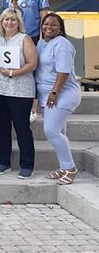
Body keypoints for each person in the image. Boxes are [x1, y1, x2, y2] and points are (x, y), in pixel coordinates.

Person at [0, 8, 37, 179]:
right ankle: (4, 162)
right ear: (1, 22)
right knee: (2, 127)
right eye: (6, 19)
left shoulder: (24, 39)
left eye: (13, 20)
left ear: (18, 22)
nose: (10, 23)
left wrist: (14, 73)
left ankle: (27, 164)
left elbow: (32, 63)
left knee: (22, 127)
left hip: (20, 91)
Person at [36, 13, 81, 185]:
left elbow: (63, 72)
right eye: (46, 24)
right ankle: (64, 167)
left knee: (51, 131)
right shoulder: (41, 43)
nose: (49, 27)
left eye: (54, 25)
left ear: (61, 28)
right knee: (59, 132)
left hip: (62, 93)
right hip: (47, 94)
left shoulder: (63, 44)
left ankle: (70, 168)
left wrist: (54, 93)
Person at [4, 0, 49, 122]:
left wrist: (43, 37)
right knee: (16, 69)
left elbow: (44, 15)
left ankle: (33, 108)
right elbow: (7, 16)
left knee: (33, 70)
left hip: (33, 37)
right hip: (14, 38)